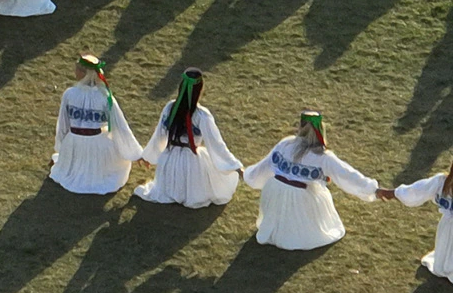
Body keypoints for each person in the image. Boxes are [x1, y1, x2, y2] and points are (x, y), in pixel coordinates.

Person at [243, 110, 384, 250]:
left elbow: (265, 165)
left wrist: (248, 175)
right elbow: (348, 175)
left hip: (273, 191)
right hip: (301, 197)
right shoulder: (323, 157)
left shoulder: (285, 144)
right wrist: (374, 190)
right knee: (321, 195)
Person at [135, 72, 241, 206]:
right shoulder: (202, 115)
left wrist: (147, 155)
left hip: (169, 159)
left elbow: (159, 135)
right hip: (192, 162)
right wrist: (235, 165)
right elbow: (216, 144)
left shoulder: (170, 108)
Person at [50, 56, 140, 195]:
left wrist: (61, 148)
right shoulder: (105, 96)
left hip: (73, 143)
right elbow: (120, 125)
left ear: (83, 73)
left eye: (78, 69)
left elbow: (63, 123)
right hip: (99, 145)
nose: (75, 72)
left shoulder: (70, 94)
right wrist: (135, 153)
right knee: (119, 165)